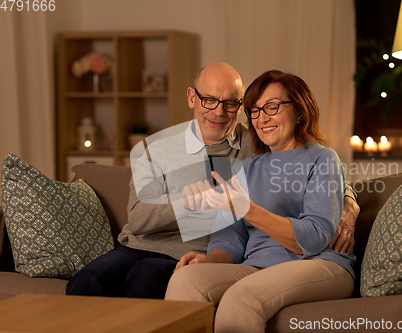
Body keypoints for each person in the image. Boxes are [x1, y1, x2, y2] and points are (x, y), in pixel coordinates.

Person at [66, 63, 359, 299]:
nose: (219, 112)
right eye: (209, 100)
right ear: (192, 97)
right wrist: (188, 203)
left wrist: (348, 204)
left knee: (147, 277)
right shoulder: (154, 149)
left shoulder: (255, 140)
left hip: (194, 251)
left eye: (230, 104)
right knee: (86, 281)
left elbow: (310, 164)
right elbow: (139, 218)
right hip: (138, 245)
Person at [165, 70, 356, 333]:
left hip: (320, 263)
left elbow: (314, 237)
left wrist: (249, 210)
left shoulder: (323, 159)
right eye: (254, 110)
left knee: (241, 298)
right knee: (184, 280)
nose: (261, 117)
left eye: (272, 107)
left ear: (300, 110)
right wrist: (210, 261)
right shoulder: (245, 169)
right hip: (257, 267)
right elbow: (229, 239)